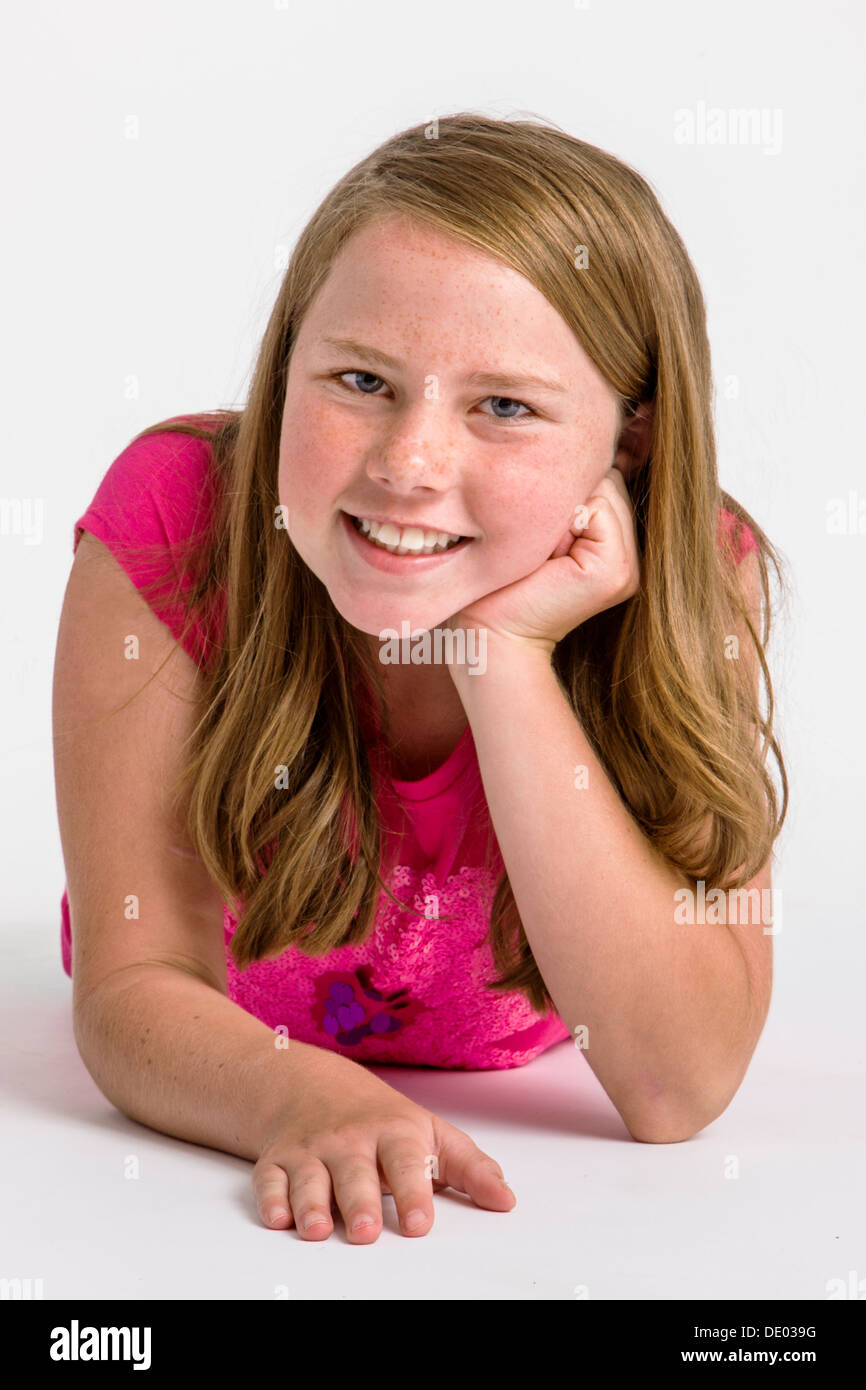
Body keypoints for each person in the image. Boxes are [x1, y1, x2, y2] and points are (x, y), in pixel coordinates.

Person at [52, 112, 788, 1245]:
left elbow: (675, 1086)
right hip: (223, 1056)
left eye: (503, 406)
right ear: (285, 366)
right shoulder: (175, 517)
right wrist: (297, 1093)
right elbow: (132, 983)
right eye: (358, 379)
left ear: (625, 444)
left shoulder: (699, 577)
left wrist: (504, 659)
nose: (407, 466)